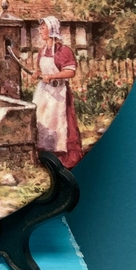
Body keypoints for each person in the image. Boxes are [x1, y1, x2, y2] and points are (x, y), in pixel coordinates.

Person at [33, 16, 83, 169]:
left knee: (58, 124)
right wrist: (37, 74)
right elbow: (41, 70)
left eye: (43, 28)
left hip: (58, 94)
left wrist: (52, 76)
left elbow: (70, 72)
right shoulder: (42, 51)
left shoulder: (64, 51)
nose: (40, 31)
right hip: (43, 93)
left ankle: (62, 159)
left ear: (51, 29)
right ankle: (44, 156)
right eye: (40, 28)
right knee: (42, 122)